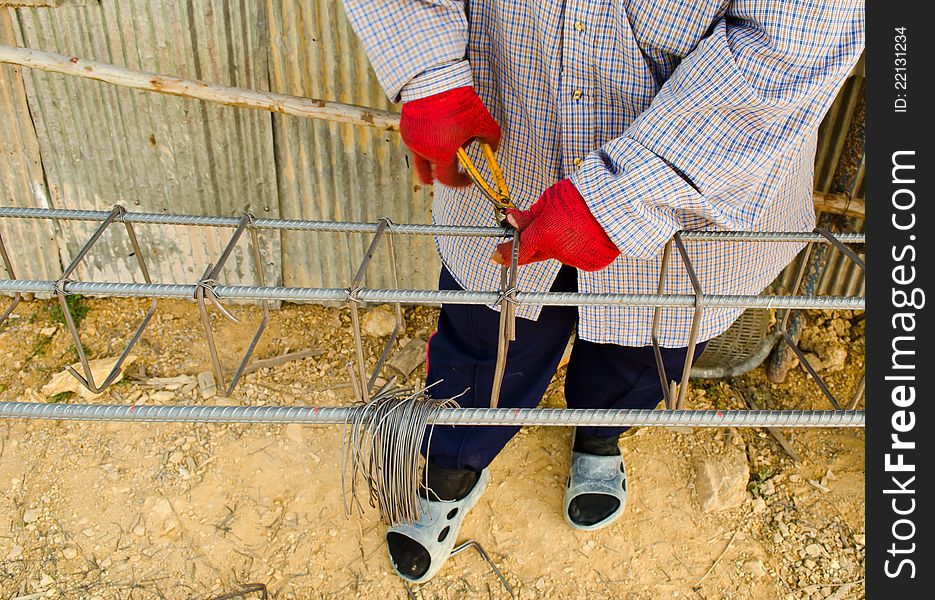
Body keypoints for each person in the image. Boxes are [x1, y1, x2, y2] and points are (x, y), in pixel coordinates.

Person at [342, 0, 864, 584]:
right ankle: (451, 470)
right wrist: (429, 72)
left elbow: (791, 44)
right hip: (512, 141)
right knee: (482, 341)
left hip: (698, 186)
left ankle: (600, 437)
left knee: (642, 346)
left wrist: (631, 194)